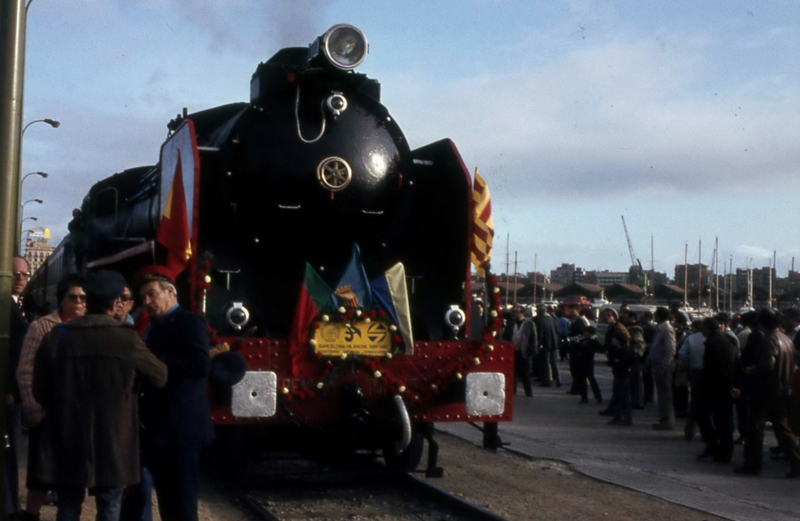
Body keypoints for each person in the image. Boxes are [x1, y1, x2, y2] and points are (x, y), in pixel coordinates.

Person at [32, 270, 167, 521]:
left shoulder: (57, 337)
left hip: (67, 436)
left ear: (88, 299)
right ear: (116, 302)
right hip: (114, 440)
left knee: (68, 506)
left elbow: (39, 389)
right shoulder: (127, 339)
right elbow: (159, 377)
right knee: (110, 507)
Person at [137, 266, 214, 521]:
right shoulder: (156, 325)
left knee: (181, 503)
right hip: (162, 429)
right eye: (143, 298)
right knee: (168, 501)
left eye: (151, 295)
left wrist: (155, 361)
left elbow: (200, 365)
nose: (147, 302)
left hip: (181, 428)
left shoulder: (189, 322)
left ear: (170, 291)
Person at [15, 274, 86, 521]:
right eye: (73, 297)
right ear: (62, 299)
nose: (79, 302)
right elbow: (25, 369)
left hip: (76, 415)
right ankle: (31, 514)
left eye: (83, 298)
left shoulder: (90, 327)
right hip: (47, 412)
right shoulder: (42, 326)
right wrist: (33, 408)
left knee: (72, 475)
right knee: (41, 472)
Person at [735, 308, 800, 477]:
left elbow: (767, 365)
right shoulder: (786, 339)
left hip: (767, 389)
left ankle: (752, 464)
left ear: (761, 322)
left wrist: (751, 371)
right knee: (783, 429)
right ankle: (797, 462)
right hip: (783, 388)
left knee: (755, 427)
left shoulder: (768, 339)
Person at [5, 257, 30, 517]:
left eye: (25, 273)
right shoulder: (6, 308)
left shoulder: (15, 305)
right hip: (9, 394)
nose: (21, 278)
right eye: (16, 273)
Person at [697, 317, 738, 463]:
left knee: (715, 419)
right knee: (721, 420)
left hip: (717, 386)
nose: (700, 330)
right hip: (722, 386)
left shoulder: (714, 343)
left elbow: (719, 367)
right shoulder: (724, 340)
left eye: (703, 327)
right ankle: (719, 448)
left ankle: (718, 448)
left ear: (708, 328)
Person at [650, 307, 676, 430]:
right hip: (657, 364)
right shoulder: (660, 328)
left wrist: (664, 365)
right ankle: (664, 418)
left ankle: (667, 420)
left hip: (663, 366)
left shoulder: (667, 329)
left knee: (665, 394)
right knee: (661, 393)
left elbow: (670, 350)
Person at [510, 306, 537, 397]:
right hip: (513, 351)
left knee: (526, 374)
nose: (515, 314)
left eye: (517, 312)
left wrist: (532, 351)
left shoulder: (529, 324)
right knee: (513, 373)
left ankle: (528, 392)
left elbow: (534, 338)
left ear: (523, 313)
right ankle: (513, 391)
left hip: (524, 351)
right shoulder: (512, 323)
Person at [575, 326, 603, 404]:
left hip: (588, 362)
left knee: (591, 379)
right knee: (582, 380)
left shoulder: (593, 341)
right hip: (582, 361)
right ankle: (584, 396)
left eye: (586, 332)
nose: (584, 334)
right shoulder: (584, 340)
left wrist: (579, 344)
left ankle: (598, 396)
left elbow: (590, 349)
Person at [535, 305, 560, 387]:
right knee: (553, 362)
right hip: (553, 342)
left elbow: (540, 334)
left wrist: (538, 346)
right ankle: (558, 380)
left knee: (545, 363)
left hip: (545, 344)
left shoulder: (539, 320)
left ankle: (547, 381)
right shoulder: (550, 319)